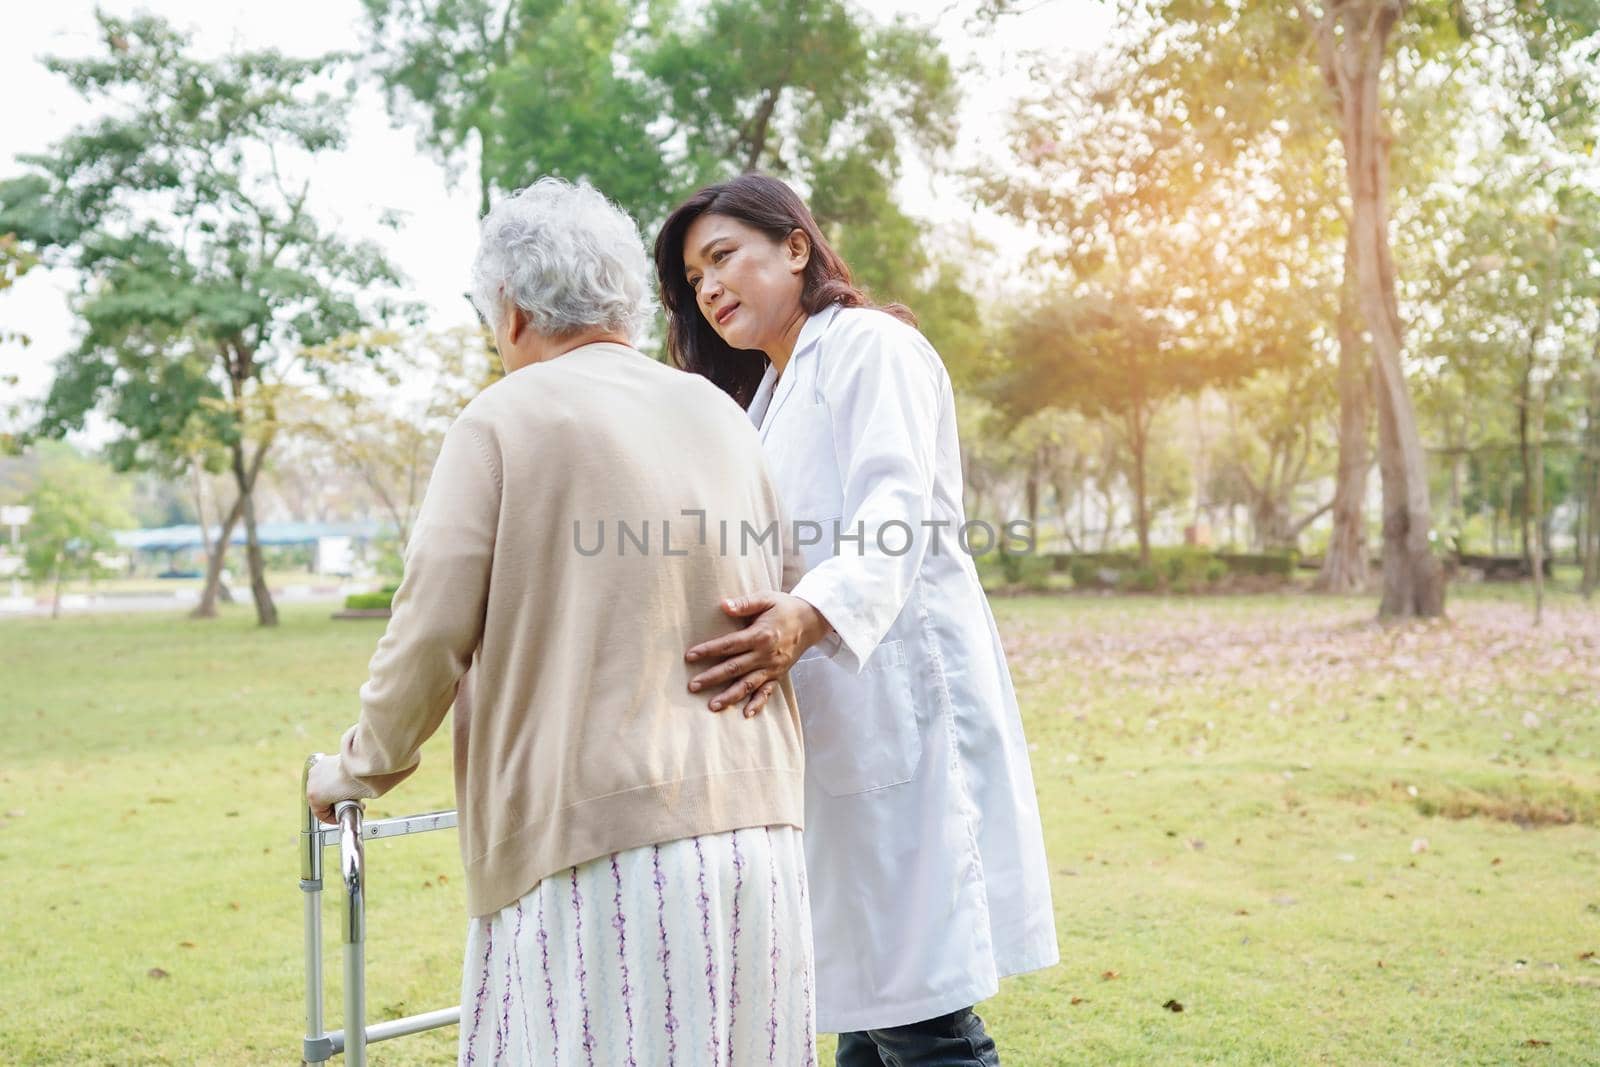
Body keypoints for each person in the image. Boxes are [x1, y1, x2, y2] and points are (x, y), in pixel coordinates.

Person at [307, 177, 817, 1066]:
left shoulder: (503, 420)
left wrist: (357, 768)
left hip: (601, 852)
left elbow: (429, 628)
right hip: (758, 836)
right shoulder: (720, 413)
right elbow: (783, 588)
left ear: (510, 312)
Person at [654, 174, 1058, 1066]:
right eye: (692, 279)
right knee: (868, 997)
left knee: (917, 1007)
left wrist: (806, 613)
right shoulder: (766, 399)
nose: (707, 288)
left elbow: (896, 510)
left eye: (722, 256)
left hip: (899, 704)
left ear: (795, 247)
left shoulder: (870, 347)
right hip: (830, 719)